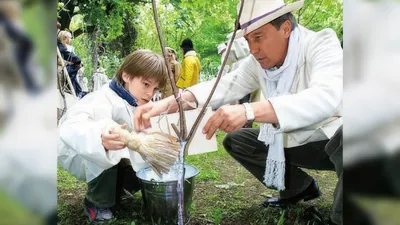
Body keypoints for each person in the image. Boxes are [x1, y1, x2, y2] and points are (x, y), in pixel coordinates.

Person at [134, 0, 343, 224]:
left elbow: (325, 97)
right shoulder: (257, 63)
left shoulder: (320, 43)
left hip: (333, 141)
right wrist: (168, 104)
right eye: (248, 40)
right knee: (238, 141)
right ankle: (297, 188)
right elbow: (226, 84)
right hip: (294, 140)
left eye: (259, 37)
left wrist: (249, 110)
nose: (253, 49)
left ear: (285, 28)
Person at [58, 50, 167, 223]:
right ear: (126, 75)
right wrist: (100, 138)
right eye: (146, 84)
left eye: (154, 88)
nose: (149, 93)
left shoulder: (140, 102)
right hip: (82, 153)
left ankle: (117, 190)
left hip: (119, 157)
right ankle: (96, 202)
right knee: (110, 141)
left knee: (151, 154)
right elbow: (71, 126)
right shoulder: (102, 98)